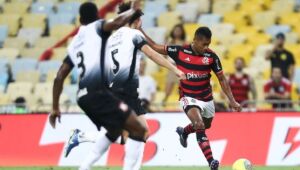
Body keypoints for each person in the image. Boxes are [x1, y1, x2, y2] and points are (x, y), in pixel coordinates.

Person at [62, 2, 185, 170]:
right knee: (130, 134)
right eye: (140, 17)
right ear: (137, 19)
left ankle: (133, 167)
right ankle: (82, 137)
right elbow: (153, 54)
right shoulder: (134, 34)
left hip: (116, 88)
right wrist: (174, 69)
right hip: (126, 89)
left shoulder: (112, 37)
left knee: (141, 132)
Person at [49, 2, 149, 170]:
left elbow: (59, 77)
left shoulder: (74, 44)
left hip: (82, 97)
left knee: (115, 131)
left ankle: (85, 164)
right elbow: (116, 23)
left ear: (80, 19)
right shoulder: (97, 27)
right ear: (97, 15)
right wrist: (134, 10)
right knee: (139, 131)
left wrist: (54, 108)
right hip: (98, 93)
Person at [138, 24, 241, 170]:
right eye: (204, 44)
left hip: (206, 97)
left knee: (206, 124)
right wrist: (140, 30)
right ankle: (211, 161)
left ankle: (184, 132)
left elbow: (222, 79)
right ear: (195, 40)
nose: (206, 47)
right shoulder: (180, 51)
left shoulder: (211, 57)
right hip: (188, 96)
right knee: (199, 124)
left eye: (208, 44)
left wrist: (232, 100)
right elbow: (155, 46)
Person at [163, 24, 187, 104]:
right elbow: (164, 55)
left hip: (181, 67)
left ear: (182, 32)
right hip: (171, 67)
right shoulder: (169, 42)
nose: (177, 32)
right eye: (176, 30)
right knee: (168, 87)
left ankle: (184, 103)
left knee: (182, 88)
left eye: (179, 30)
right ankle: (164, 103)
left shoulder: (185, 43)